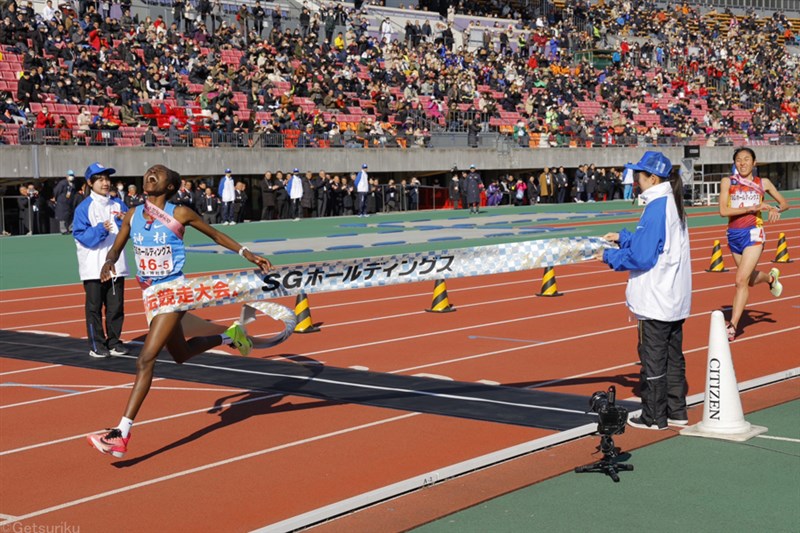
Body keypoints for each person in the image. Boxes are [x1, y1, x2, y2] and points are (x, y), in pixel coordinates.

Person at [87, 164, 273, 457]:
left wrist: (247, 254)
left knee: (146, 358)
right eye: (148, 171)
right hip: (150, 294)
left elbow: (215, 235)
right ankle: (231, 336)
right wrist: (109, 262)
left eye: (157, 173)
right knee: (181, 355)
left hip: (174, 290)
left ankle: (121, 433)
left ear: (170, 186)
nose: (150, 174)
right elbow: (117, 246)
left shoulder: (179, 213)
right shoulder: (134, 214)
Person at [596, 151, 692, 430]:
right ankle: (677, 411)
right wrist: (625, 237)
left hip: (656, 298)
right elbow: (656, 244)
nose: (635, 178)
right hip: (674, 297)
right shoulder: (672, 202)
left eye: (638, 174)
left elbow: (643, 256)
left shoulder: (656, 206)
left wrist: (608, 256)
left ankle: (653, 416)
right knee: (673, 358)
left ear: (652, 177)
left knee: (653, 360)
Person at [718, 148, 788, 341]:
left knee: (740, 281)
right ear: (735, 163)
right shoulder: (728, 182)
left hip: (754, 234)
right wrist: (753, 207)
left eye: (747, 159)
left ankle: (732, 326)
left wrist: (775, 208)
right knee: (748, 280)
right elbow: (723, 211)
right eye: (739, 160)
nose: (743, 163)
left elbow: (784, 203)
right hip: (733, 235)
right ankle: (771, 279)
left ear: (754, 163)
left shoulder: (762, 183)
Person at [72, 163, 129, 358]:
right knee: (94, 308)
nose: (105, 183)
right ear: (90, 182)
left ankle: (114, 341)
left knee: (116, 307)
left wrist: (124, 221)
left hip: (117, 265)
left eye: (107, 179)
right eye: (100, 179)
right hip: (93, 266)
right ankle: (97, 343)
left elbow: (129, 230)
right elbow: (80, 235)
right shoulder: (84, 207)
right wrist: (100, 229)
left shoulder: (118, 204)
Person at [53, 170, 76, 234]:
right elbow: (56, 191)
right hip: (62, 203)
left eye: (72, 175)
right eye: (70, 175)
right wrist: (57, 198)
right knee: (62, 216)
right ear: (66, 176)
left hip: (70, 202)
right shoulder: (62, 183)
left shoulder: (72, 184)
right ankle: (63, 230)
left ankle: (71, 228)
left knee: (70, 216)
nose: (71, 177)